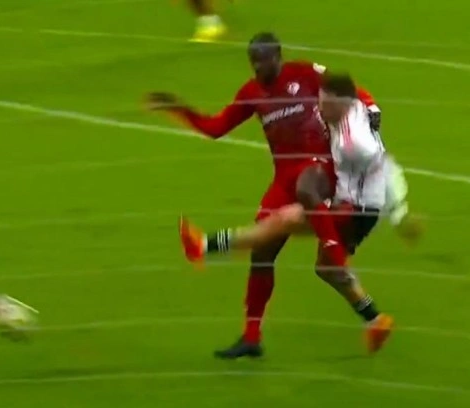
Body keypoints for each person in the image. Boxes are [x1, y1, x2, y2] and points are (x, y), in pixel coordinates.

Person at [147, 32, 376, 359]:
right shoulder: (251, 93)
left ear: (277, 57)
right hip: (284, 179)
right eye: (253, 62)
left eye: (263, 60)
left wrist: (370, 104)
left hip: (319, 168)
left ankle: (334, 252)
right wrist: (179, 108)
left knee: (317, 244)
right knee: (262, 252)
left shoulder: (304, 73)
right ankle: (251, 336)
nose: (257, 67)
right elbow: (215, 128)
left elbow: (347, 88)